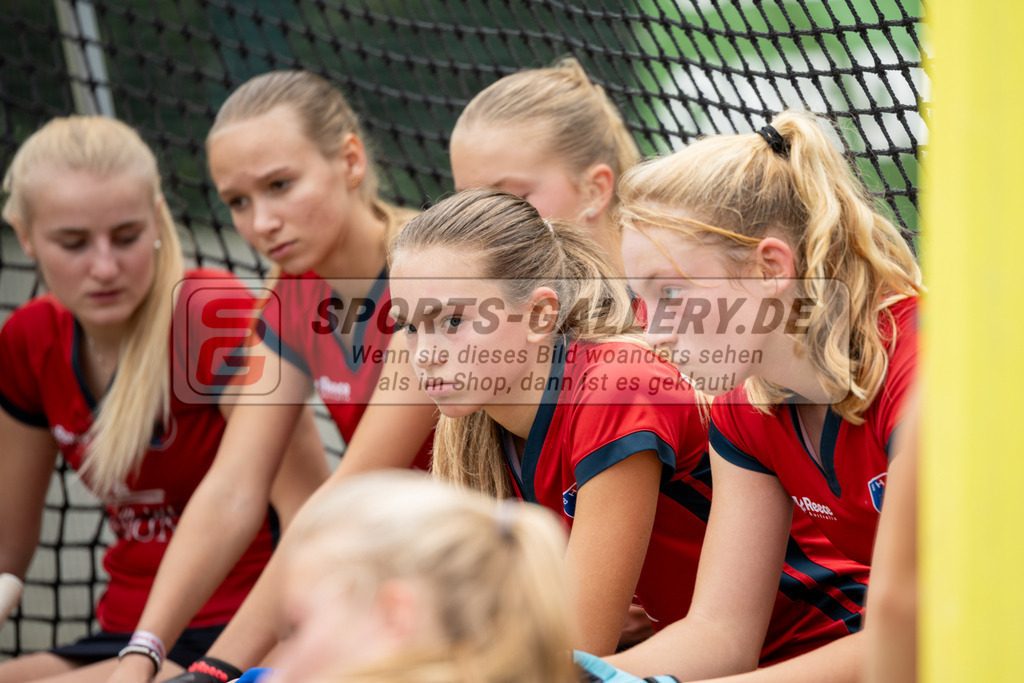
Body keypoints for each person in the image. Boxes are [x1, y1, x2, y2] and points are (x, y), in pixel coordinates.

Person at [386, 188, 866, 660]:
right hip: (699, 663)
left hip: (828, 642)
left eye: (451, 322)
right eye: (409, 326)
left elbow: (575, 648)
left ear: (539, 314)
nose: (424, 354)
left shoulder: (615, 387)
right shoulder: (484, 429)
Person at [107, 71, 437, 683]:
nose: (261, 223)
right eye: (238, 202)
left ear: (350, 160)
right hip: (403, 576)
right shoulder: (290, 297)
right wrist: (141, 653)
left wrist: (214, 669)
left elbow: (346, 497)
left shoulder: (428, 284)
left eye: (280, 185)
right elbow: (232, 488)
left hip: (497, 573)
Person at [0, 116, 327, 682]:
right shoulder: (29, 341)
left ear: (156, 219)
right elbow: (8, 552)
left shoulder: (208, 313)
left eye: (126, 237)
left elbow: (310, 516)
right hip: (122, 631)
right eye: (73, 243)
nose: (104, 267)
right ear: (24, 235)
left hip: (240, 631)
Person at [610, 110, 921, 681]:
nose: (652, 328)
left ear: (770, 266)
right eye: (640, 298)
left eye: (671, 290)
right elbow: (720, 633)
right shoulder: (745, 407)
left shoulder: (926, 369)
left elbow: (913, 631)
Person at [449, 57, 638, 278]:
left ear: (594, 191)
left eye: (514, 198)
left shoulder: (669, 296)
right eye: (466, 204)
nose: (480, 228)